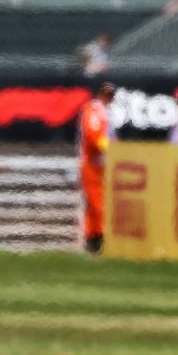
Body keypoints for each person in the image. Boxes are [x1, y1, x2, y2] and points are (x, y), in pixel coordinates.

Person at [77, 82, 117, 254]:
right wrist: (111, 149)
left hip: (101, 165)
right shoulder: (94, 110)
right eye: (107, 94)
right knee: (97, 204)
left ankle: (94, 238)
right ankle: (97, 237)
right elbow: (93, 136)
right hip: (92, 163)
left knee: (98, 203)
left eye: (111, 95)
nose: (109, 98)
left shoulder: (105, 111)